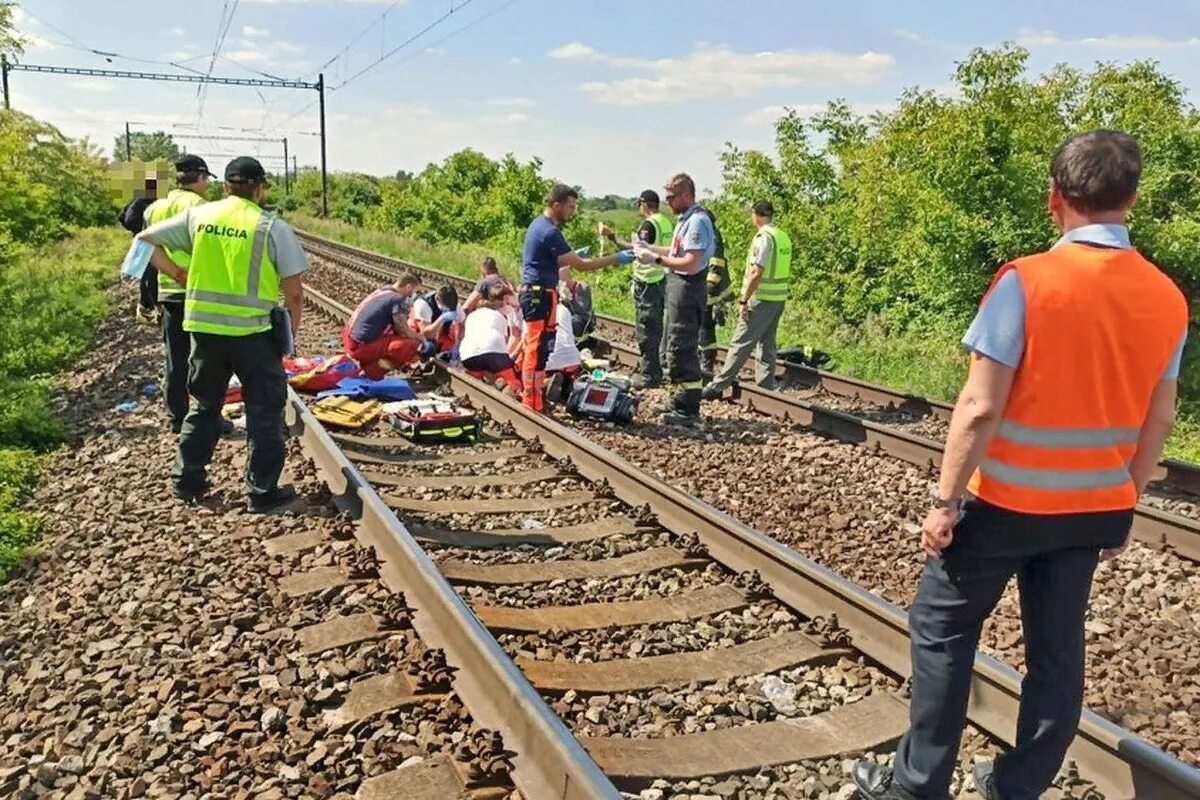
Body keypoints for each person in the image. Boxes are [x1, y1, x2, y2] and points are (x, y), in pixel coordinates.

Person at [850, 130, 1188, 800]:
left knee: (942, 629)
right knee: (1057, 655)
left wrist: (944, 502)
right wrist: (1126, 501)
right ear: (1134, 198)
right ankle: (1016, 787)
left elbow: (978, 407)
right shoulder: (1166, 298)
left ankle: (918, 786)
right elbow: (1162, 418)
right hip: (1091, 509)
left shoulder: (1026, 282)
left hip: (1002, 504)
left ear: (1054, 198)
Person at [138, 156, 309, 513]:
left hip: (204, 332)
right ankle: (261, 491)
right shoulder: (271, 227)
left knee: (203, 406)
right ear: (259, 189)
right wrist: (290, 335)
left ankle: (187, 481)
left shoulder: (200, 217)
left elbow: (144, 241)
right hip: (254, 334)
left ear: (226, 186)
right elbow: (293, 293)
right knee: (264, 412)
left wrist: (178, 274)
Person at [519, 184, 633, 412]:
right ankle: (530, 401)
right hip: (538, 295)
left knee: (542, 349)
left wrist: (570, 257)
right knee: (536, 348)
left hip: (541, 293)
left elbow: (554, 261)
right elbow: (581, 267)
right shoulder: (549, 231)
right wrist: (615, 259)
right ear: (556, 204)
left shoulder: (540, 225)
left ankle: (536, 398)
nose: (572, 211)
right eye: (570, 207)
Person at [632, 174, 715, 426]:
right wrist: (651, 250)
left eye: (671, 197)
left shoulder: (698, 221)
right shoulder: (684, 220)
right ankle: (678, 400)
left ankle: (687, 411)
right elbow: (676, 251)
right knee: (674, 346)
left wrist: (655, 260)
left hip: (689, 287)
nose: (667, 201)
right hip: (679, 286)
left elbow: (690, 263)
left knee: (683, 347)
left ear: (686, 195)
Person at [142, 156, 214, 432]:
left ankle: (177, 416)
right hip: (197, 292)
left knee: (175, 356)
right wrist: (185, 274)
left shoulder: (154, 208)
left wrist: (172, 272)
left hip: (168, 292)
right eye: (207, 179)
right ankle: (204, 417)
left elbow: (146, 247)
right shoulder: (202, 208)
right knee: (205, 359)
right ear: (201, 178)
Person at [701, 200, 791, 398]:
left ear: (757, 214)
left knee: (740, 342)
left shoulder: (764, 238)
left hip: (761, 298)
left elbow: (756, 272)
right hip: (778, 298)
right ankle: (765, 389)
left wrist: (744, 300)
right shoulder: (782, 236)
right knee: (766, 344)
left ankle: (718, 386)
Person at [599, 189, 674, 388]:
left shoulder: (649, 224)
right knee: (656, 327)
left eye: (638, 204)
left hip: (648, 283)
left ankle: (649, 375)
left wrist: (612, 237)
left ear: (644, 203)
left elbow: (637, 251)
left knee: (646, 329)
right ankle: (655, 369)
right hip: (660, 278)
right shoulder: (665, 221)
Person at [343, 273, 424, 379]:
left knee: (393, 335)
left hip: (350, 340)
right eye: (414, 291)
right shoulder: (397, 299)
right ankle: (371, 373)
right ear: (408, 287)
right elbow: (404, 331)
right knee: (408, 345)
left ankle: (367, 366)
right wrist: (422, 339)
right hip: (360, 347)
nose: (412, 295)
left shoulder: (382, 291)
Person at [461, 283, 521, 393]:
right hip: (493, 353)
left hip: (468, 356)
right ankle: (512, 387)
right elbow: (503, 342)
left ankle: (478, 377)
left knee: (478, 369)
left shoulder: (471, 316)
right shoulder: (499, 316)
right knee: (508, 374)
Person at [118, 177, 159, 324]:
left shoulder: (137, 200)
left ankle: (146, 309)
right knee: (150, 275)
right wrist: (141, 231)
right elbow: (128, 219)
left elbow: (122, 216)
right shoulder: (144, 201)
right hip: (147, 241)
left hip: (143, 240)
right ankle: (147, 310)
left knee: (147, 274)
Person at [698, 207, 731, 380]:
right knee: (703, 325)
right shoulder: (710, 231)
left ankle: (707, 363)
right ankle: (703, 359)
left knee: (706, 326)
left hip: (711, 287)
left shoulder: (712, 234)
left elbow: (715, 263)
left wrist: (709, 287)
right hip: (708, 284)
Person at [410, 285, 463, 357]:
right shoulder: (423, 305)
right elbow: (426, 334)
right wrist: (442, 318)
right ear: (437, 299)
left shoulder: (454, 305)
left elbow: (460, 324)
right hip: (418, 334)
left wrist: (457, 344)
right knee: (429, 348)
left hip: (437, 333)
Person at [558, 266, 595, 342]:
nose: (560, 282)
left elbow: (581, 310)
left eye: (561, 279)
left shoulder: (581, 287)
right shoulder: (561, 288)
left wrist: (568, 300)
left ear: (567, 278)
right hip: (571, 317)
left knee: (569, 321)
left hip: (583, 320)